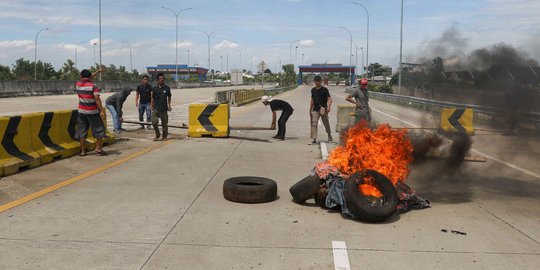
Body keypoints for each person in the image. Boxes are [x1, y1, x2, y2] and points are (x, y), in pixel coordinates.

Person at [74, 68, 107, 156]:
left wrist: (97, 72)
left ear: (81, 76)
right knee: (100, 129)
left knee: (82, 131)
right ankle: (98, 148)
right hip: (93, 112)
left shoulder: (77, 84)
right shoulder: (93, 86)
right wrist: (101, 111)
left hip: (81, 112)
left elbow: (86, 78)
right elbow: (97, 99)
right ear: (89, 77)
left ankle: (82, 151)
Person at [310, 75, 333, 144]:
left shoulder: (325, 90)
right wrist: (310, 109)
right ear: (314, 81)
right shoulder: (313, 90)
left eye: (319, 81)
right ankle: (314, 138)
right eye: (316, 81)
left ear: (321, 81)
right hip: (315, 110)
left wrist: (328, 106)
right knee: (314, 123)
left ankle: (329, 134)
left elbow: (329, 98)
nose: (317, 82)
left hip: (324, 110)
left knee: (326, 124)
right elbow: (312, 100)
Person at [151, 73, 172, 141]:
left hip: (164, 109)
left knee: (164, 124)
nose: (162, 80)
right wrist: (151, 105)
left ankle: (164, 136)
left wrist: (169, 105)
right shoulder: (154, 88)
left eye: (163, 78)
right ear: (157, 80)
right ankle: (157, 135)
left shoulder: (167, 88)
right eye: (160, 79)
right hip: (156, 108)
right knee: (154, 122)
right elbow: (152, 97)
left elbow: (169, 96)